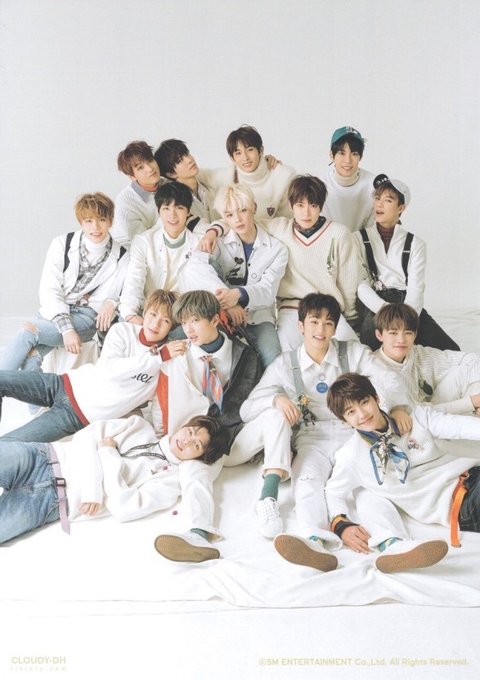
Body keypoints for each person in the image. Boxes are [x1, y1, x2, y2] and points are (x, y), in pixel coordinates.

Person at [238, 293, 411, 553]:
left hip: (353, 435)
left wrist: (397, 407)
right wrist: (276, 399)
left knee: (367, 485)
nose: (321, 330)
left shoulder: (352, 353)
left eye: (328, 323)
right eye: (314, 322)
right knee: (307, 481)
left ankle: (392, 541)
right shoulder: (286, 364)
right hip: (311, 437)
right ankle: (314, 540)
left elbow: (388, 378)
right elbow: (247, 409)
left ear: (335, 328)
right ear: (301, 326)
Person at [321, 372, 480, 574]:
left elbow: (460, 427)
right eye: (351, 412)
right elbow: (333, 492)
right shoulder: (351, 455)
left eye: (364, 402)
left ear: (376, 399)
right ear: (344, 421)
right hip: (463, 502)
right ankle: (394, 547)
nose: (362, 414)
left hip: (473, 475)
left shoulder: (415, 417)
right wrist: (341, 525)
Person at [0, 413, 227, 545]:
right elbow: (85, 438)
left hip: (52, 502)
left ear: (199, 457)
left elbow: (123, 508)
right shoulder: (138, 425)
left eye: (196, 445)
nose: (187, 441)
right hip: (42, 458)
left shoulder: (169, 482)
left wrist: (108, 453)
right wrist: (94, 490)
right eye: (190, 431)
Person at [152, 290, 263, 562]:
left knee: (274, 416)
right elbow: (161, 395)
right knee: (194, 472)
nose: (188, 329)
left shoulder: (243, 355)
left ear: (214, 320)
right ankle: (199, 535)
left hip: (231, 437)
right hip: (195, 439)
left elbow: (255, 400)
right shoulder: (179, 353)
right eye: (184, 322)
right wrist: (161, 430)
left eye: (195, 321)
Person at [0, 290, 186, 443]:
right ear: (144, 313)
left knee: (9, 445)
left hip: (74, 416)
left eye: (165, 320)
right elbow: (109, 370)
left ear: (171, 327)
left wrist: (161, 441)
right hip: (61, 384)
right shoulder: (123, 331)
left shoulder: (167, 363)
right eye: (153, 314)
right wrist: (156, 357)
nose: (156, 324)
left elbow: (161, 405)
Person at [0, 192, 128, 374]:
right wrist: (67, 330)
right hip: (54, 311)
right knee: (31, 356)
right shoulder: (62, 244)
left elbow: (121, 293)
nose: (96, 227)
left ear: (111, 220)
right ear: (81, 222)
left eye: (101, 219)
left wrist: (112, 302)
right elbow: (49, 289)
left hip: (86, 318)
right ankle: (41, 395)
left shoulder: (122, 256)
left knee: (28, 331)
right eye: (88, 221)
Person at [179, 184, 288, 368]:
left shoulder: (277, 249)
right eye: (229, 215)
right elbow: (192, 270)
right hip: (221, 316)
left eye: (243, 211)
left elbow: (268, 291)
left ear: (254, 208)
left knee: (273, 359)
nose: (237, 219)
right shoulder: (216, 241)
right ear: (223, 217)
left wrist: (237, 295)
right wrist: (229, 304)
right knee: (227, 364)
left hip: (259, 317)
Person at [354, 173, 460, 351]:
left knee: (451, 351)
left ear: (401, 207)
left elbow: (416, 288)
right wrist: (386, 311)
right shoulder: (358, 238)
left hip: (407, 305)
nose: (379, 204)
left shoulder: (416, 244)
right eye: (377, 198)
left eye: (388, 200)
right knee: (373, 355)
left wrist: (406, 317)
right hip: (375, 307)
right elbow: (361, 285)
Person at [118, 182, 205, 325]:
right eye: (166, 208)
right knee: (123, 326)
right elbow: (134, 280)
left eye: (179, 208)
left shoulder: (198, 243)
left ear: (188, 212)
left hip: (181, 316)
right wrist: (130, 314)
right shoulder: (144, 241)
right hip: (147, 312)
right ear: (159, 211)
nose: (173, 215)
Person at [374, 303, 480, 414]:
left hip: (435, 408)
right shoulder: (374, 368)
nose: (401, 340)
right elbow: (415, 414)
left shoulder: (418, 353)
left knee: (463, 371)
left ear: (415, 335)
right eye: (393, 333)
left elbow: (471, 359)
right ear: (379, 335)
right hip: (416, 419)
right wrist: (471, 402)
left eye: (408, 333)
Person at [197, 124, 296, 220]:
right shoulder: (228, 175)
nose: (245, 157)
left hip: (271, 231)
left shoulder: (284, 176)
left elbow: (288, 221)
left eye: (250, 150)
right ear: (232, 158)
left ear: (261, 150)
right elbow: (196, 174)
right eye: (238, 153)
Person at [321, 125, 375, 232]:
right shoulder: (319, 185)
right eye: (342, 153)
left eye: (354, 154)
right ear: (331, 155)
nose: (348, 160)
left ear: (360, 157)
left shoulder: (373, 185)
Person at [111, 141, 163, 247]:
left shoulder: (168, 184)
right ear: (132, 177)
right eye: (140, 167)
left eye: (150, 160)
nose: (150, 169)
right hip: (127, 248)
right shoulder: (126, 202)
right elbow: (143, 243)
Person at [154, 139, 214, 223]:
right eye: (180, 160)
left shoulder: (208, 187)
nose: (189, 160)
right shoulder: (176, 202)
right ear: (171, 174)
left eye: (187, 153)